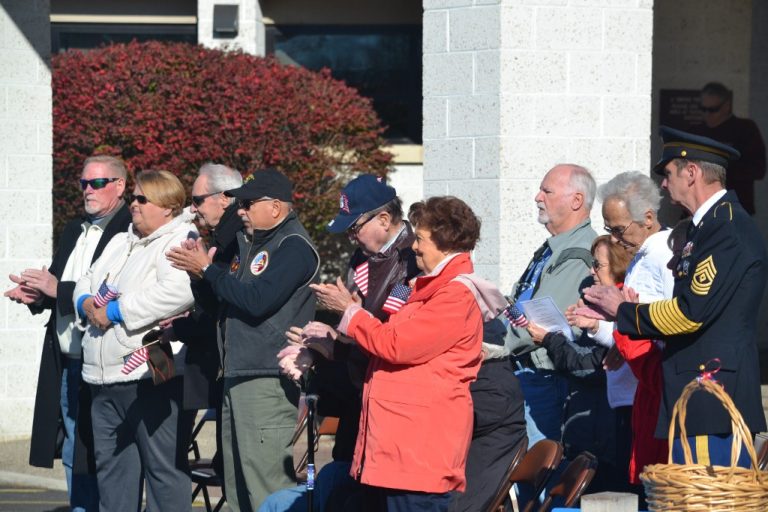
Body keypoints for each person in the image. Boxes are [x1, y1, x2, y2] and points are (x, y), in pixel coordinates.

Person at [584, 127, 767, 468]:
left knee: (704, 501)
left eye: (668, 174)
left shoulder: (725, 229)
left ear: (692, 172)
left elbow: (689, 313)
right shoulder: (705, 227)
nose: (664, 186)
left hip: (711, 397)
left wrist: (623, 310)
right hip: (695, 394)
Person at [304, 196, 490, 511]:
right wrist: (346, 331)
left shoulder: (453, 295)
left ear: (445, 246)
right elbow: (389, 333)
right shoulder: (423, 285)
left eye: (421, 239)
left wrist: (351, 313)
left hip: (418, 452)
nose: (414, 247)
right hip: (398, 450)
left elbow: (396, 344)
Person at [167, 167, 320, 511]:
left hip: (265, 377)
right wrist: (198, 275)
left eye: (248, 203)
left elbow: (256, 300)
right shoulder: (249, 245)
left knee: (265, 486)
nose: (240, 211)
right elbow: (223, 302)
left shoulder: (292, 246)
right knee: (236, 484)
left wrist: (209, 270)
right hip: (237, 373)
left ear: (276, 207)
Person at [265, 174, 420, 512]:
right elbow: (352, 323)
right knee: (335, 486)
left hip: (391, 405)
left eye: (355, 227)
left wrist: (333, 344)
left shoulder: (412, 258)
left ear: (383, 218)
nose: (352, 236)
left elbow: (388, 333)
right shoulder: (363, 257)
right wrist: (317, 345)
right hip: (356, 396)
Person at [4, 155, 131, 512]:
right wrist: (35, 295)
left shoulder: (128, 230)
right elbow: (60, 288)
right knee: (75, 448)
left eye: (97, 183)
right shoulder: (75, 227)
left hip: (104, 359)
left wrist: (55, 287)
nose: (88, 191)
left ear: (119, 186)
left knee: (102, 452)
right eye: (83, 184)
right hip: (67, 357)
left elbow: (111, 290)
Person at [73, 169, 197, 512]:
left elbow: (178, 291)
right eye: (134, 198)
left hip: (149, 375)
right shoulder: (120, 240)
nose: (134, 205)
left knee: (164, 474)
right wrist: (85, 303)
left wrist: (115, 311)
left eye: (143, 199)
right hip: (102, 378)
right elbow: (86, 278)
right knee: (113, 476)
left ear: (168, 207)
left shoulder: (180, 240)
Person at [527, 235, 630, 495]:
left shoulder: (626, 311)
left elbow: (589, 366)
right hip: (589, 431)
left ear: (617, 265)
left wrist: (550, 339)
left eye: (598, 265)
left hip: (609, 436)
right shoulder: (596, 305)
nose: (590, 270)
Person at [160, 163, 243, 478]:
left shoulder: (238, 239)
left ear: (224, 198)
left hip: (225, 363)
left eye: (197, 200)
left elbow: (227, 307)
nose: (191, 208)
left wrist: (181, 326)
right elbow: (213, 302)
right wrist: (198, 275)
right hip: (213, 362)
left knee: (229, 468)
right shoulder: (223, 238)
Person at [505, 164, 597, 444]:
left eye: (547, 191)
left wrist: (486, 342)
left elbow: (538, 323)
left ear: (576, 201)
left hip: (545, 378)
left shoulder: (579, 254)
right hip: (530, 376)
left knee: (541, 471)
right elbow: (518, 301)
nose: (537, 197)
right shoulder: (552, 248)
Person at [451, 319, 527, 512]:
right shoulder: (489, 377)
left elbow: (458, 426)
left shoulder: (494, 386)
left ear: (480, 354)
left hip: (473, 491)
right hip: (468, 479)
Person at [689, 82, 766, 215]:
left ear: (726, 106)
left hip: (735, 209)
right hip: (700, 209)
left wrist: (719, 170)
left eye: (713, 110)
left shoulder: (745, 129)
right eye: (703, 109)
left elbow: (758, 170)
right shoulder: (696, 131)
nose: (707, 114)